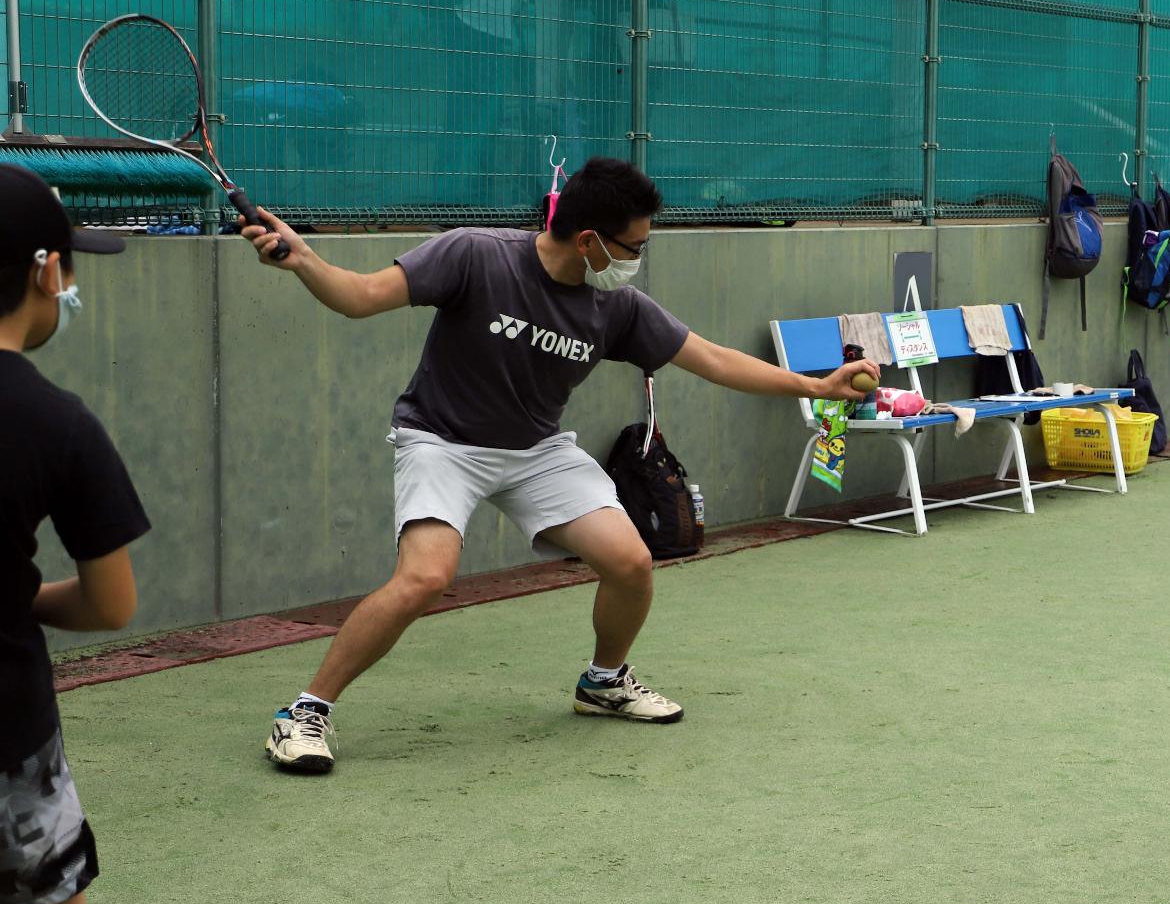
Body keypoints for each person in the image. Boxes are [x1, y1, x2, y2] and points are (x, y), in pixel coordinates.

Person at [240, 158, 877, 774]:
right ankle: (304, 713)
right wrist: (305, 261)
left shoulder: (617, 306)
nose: (636, 259)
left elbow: (711, 359)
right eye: (632, 247)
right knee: (426, 579)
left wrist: (817, 388)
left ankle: (603, 682)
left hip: (538, 450)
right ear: (590, 240)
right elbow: (359, 297)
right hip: (442, 442)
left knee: (629, 562)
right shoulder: (474, 254)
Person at [1, 167, 151, 904]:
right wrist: (27, 600)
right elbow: (112, 604)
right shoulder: (56, 421)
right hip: (5, 727)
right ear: (45, 271)